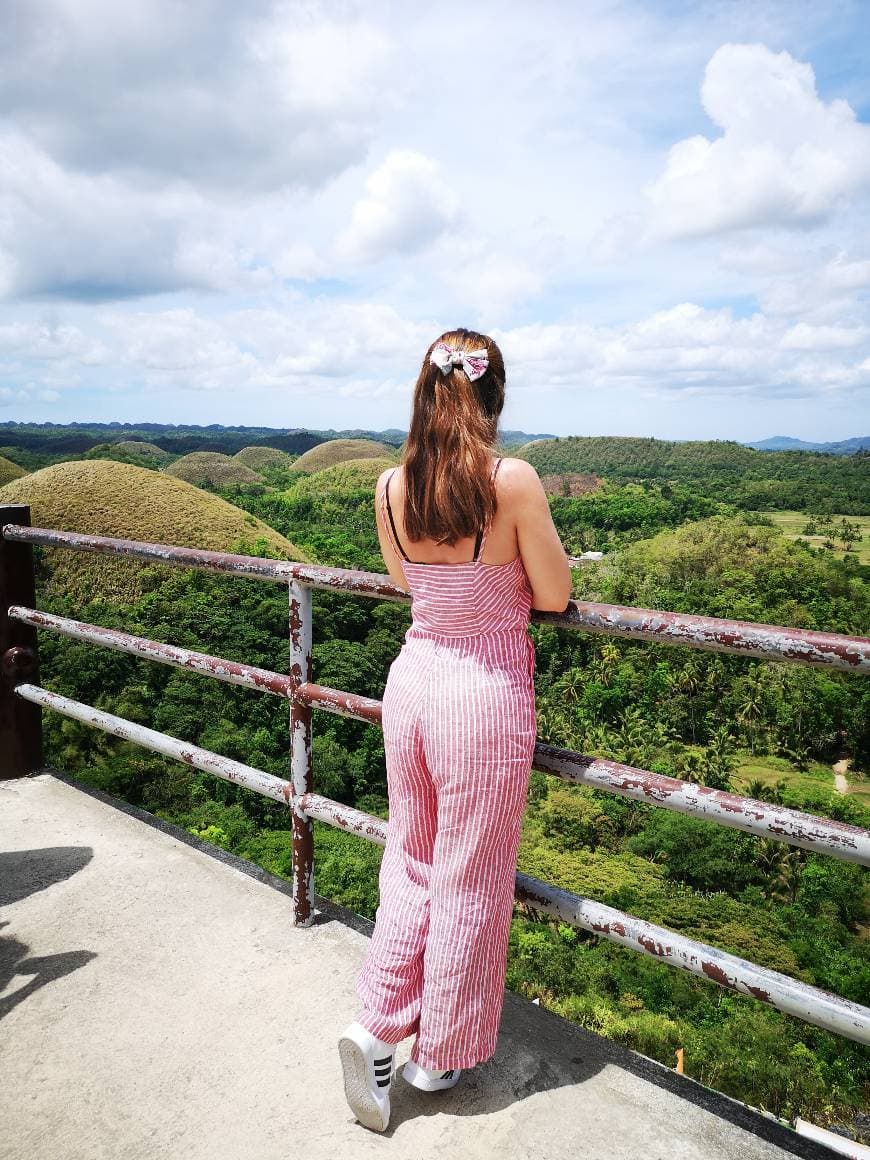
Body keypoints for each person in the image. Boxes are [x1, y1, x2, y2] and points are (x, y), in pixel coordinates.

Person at [338, 327, 572, 1132]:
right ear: (493, 396)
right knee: (471, 874)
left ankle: (374, 1025)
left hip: (412, 685)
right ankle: (437, 1054)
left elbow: (407, 580)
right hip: (483, 695)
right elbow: (551, 592)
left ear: (425, 392)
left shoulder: (389, 485)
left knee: (412, 859)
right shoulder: (512, 481)